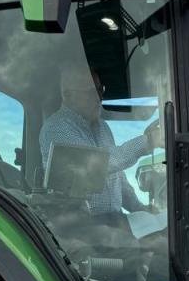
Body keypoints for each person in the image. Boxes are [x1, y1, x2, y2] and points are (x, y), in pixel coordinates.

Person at [38, 65, 162, 217]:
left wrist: (140, 209)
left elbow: (118, 178)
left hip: (114, 223)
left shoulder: (103, 127)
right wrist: (148, 141)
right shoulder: (56, 128)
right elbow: (95, 165)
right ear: (68, 95)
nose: (99, 97)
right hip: (80, 230)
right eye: (91, 92)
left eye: (100, 89)